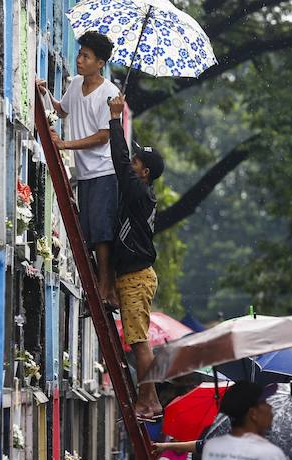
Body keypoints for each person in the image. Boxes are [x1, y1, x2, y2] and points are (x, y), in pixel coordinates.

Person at [37, 31, 121, 308]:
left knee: (101, 233)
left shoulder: (109, 93)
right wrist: (45, 93)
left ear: (100, 63)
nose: (79, 60)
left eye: (86, 56)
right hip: (85, 172)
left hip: (104, 170)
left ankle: (106, 287)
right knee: (89, 233)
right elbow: (62, 111)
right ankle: (102, 285)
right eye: (80, 54)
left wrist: (65, 145)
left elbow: (103, 135)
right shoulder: (75, 84)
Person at [106, 93, 163, 417]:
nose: (132, 164)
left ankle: (149, 400)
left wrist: (115, 119)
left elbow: (118, 159)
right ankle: (150, 397)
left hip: (136, 278)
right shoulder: (141, 194)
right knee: (139, 341)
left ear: (144, 174)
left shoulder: (139, 192)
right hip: (135, 276)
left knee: (140, 343)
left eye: (138, 163)